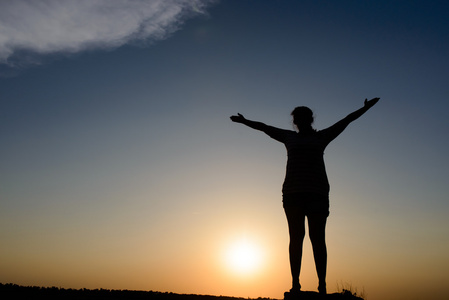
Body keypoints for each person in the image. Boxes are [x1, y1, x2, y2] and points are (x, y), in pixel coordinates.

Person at [230, 98, 379, 295]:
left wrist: (364, 108)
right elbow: (265, 128)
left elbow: (346, 120)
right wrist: (245, 121)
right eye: (297, 118)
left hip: (317, 193)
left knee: (317, 239)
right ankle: (295, 284)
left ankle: (322, 285)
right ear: (295, 121)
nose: (300, 120)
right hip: (293, 193)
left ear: (309, 119)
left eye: (303, 117)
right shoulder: (288, 137)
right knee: (296, 238)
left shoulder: (321, 137)